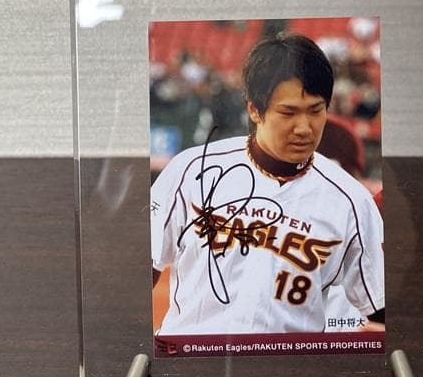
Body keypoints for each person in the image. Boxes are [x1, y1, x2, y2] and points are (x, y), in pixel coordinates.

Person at [150, 32, 384, 335]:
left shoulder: (352, 200)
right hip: (193, 356)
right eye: (288, 112)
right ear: (254, 110)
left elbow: (378, 309)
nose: (304, 128)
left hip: (290, 363)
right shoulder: (192, 169)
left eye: (316, 110)